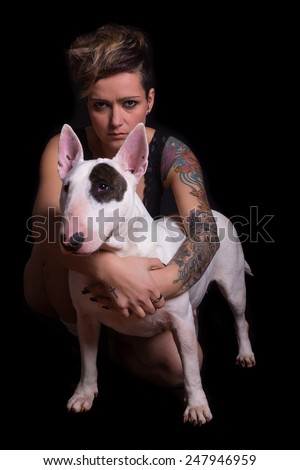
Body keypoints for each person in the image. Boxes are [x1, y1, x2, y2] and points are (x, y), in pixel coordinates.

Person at [23, 23, 219, 388]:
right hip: (69, 291)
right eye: (101, 105)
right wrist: (113, 271)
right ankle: (83, 339)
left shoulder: (171, 155)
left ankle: (115, 346)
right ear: (87, 104)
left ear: (150, 100)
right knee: (55, 253)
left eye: (129, 103)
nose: (116, 121)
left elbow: (205, 234)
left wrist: (156, 283)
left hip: (141, 296)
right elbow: (44, 227)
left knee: (178, 370)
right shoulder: (65, 147)